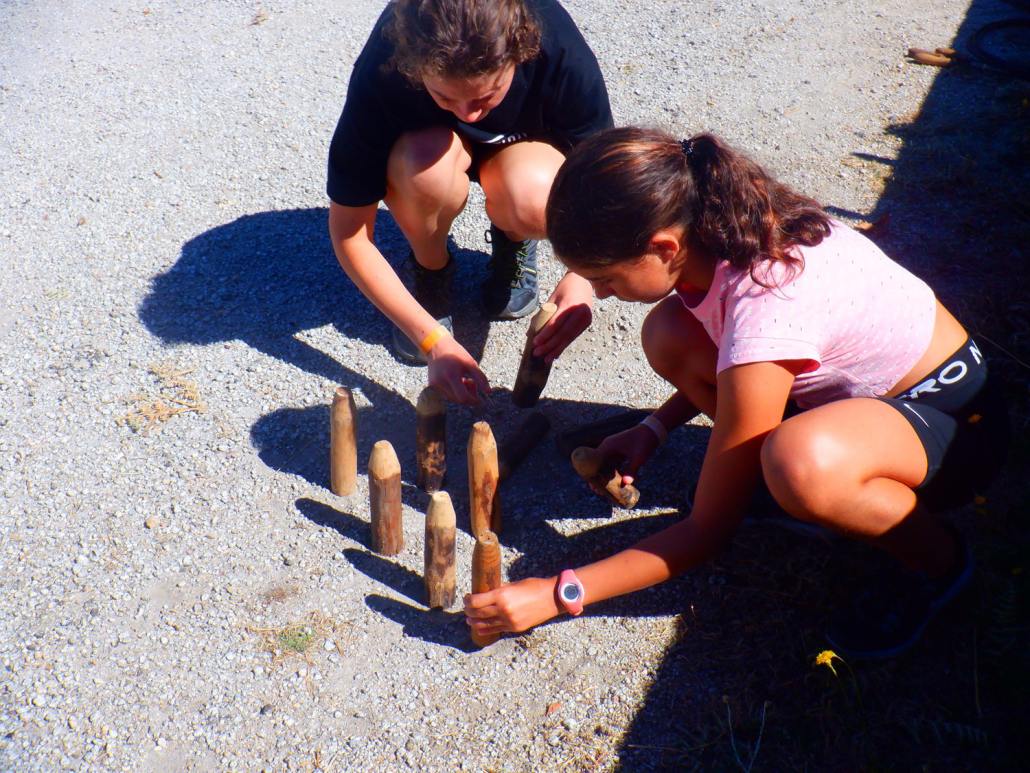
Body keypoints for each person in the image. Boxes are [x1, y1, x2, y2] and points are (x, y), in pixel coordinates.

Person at [464, 127, 1010, 658]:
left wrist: (560, 593)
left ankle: (940, 562)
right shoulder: (719, 228)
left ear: (662, 246)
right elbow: (740, 364)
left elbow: (707, 532)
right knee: (669, 332)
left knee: (800, 464)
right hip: (868, 406)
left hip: (955, 427)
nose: (602, 294)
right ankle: (776, 481)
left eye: (606, 279)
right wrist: (654, 428)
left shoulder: (767, 299)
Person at [327, 0, 612, 405]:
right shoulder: (385, 65)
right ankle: (431, 271)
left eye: (487, 96)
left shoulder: (557, 47)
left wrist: (585, 276)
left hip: (520, 154)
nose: (468, 114)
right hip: (430, 157)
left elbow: (604, 182)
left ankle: (514, 239)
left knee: (535, 193)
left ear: (522, 52)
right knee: (423, 169)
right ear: (414, 67)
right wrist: (432, 339)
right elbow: (350, 235)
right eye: (445, 97)